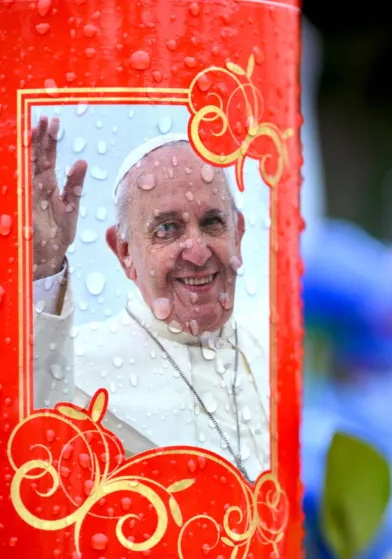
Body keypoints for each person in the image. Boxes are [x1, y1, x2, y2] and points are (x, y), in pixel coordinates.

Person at [29, 116, 269, 481]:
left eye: (211, 223)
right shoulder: (79, 370)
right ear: (124, 252)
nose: (198, 252)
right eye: (167, 229)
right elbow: (35, 446)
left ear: (237, 233)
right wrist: (45, 267)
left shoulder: (274, 348)